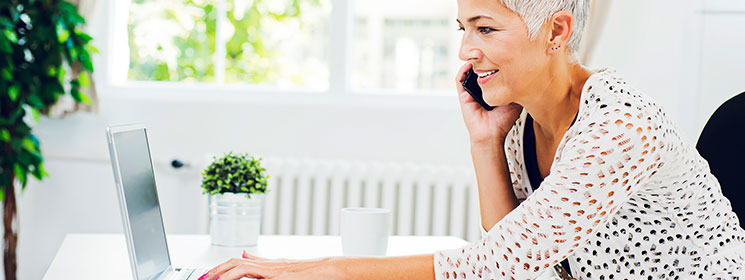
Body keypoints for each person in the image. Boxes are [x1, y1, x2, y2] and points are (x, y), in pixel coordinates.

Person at [200, 0, 745, 279]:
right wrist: (486, 142)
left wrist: (322, 270)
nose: (466, 50)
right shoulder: (522, 121)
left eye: (485, 29)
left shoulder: (619, 127)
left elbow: (500, 262)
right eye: (463, 28)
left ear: (555, 32)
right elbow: (514, 244)